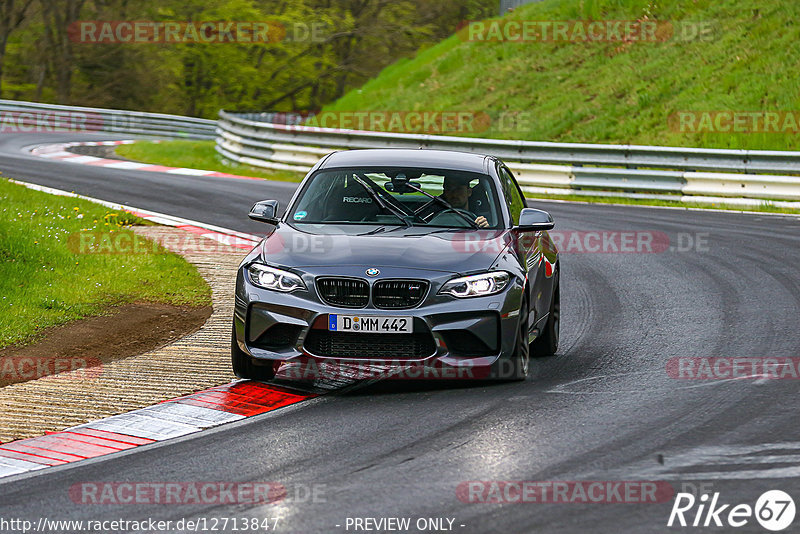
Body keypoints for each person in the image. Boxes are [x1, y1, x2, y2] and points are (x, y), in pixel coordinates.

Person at [421, 175, 489, 228]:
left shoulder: (482, 219)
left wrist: (485, 228)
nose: (454, 194)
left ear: (469, 192)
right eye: (449, 189)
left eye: (459, 189)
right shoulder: (429, 215)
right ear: (444, 192)